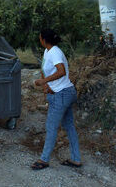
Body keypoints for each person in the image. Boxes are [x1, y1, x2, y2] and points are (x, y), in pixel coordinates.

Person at [31, 29, 81, 170]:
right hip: (64, 92)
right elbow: (47, 69)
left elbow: (61, 71)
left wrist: (44, 81)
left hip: (62, 94)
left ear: (43, 39)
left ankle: (44, 159)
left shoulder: (55, 52)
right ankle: (76, 159)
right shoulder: (48, 51)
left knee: (51, 127)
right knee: (69, 125)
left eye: (40, 37)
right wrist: (47, 85)